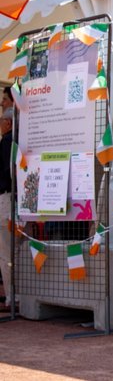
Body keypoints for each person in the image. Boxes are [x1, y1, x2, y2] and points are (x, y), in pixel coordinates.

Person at [0, 108, 13, 311]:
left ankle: (12, 297)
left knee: (6, 250)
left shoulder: (6, 142)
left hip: (6, 198)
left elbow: (6, 171)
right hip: (12, 199)